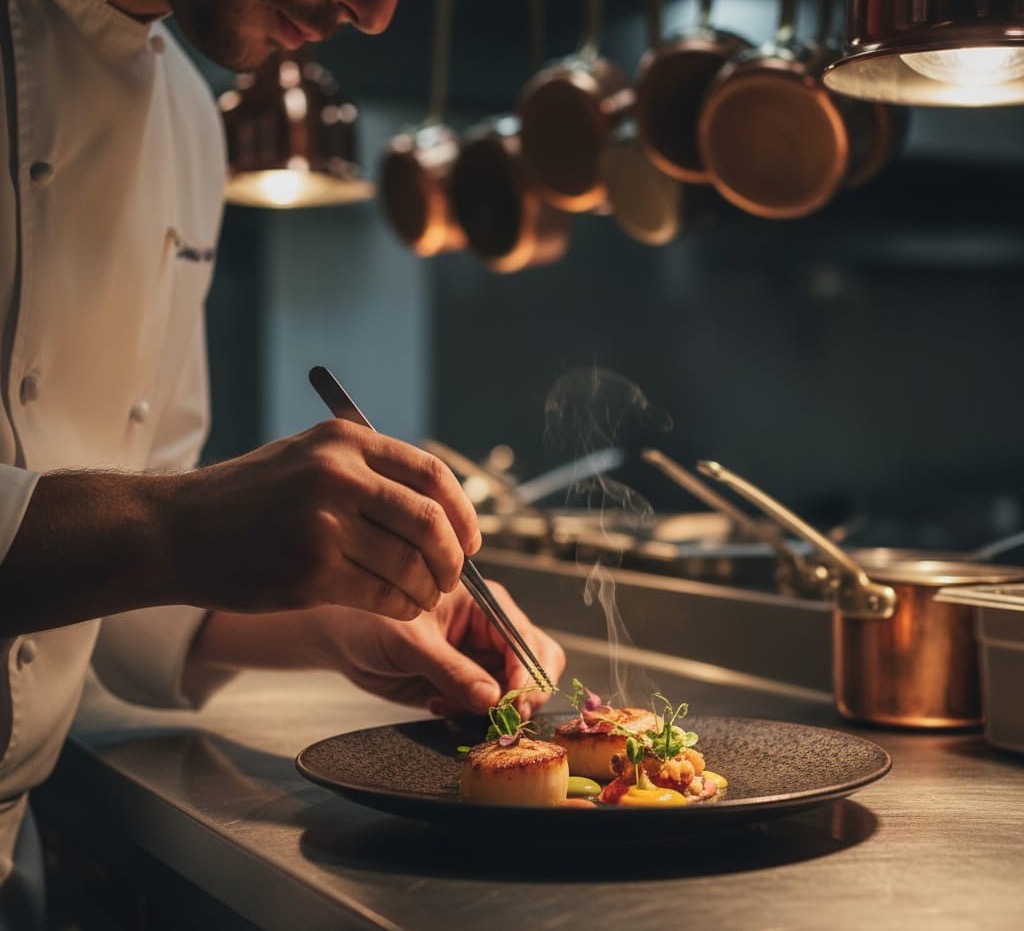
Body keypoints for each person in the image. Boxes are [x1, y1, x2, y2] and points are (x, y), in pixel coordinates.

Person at [0, 0, 566, 919]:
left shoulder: (188, 116)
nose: (375, 16)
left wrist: (339, 618)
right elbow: (147, 528)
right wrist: (178, 524)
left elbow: (122, 580)